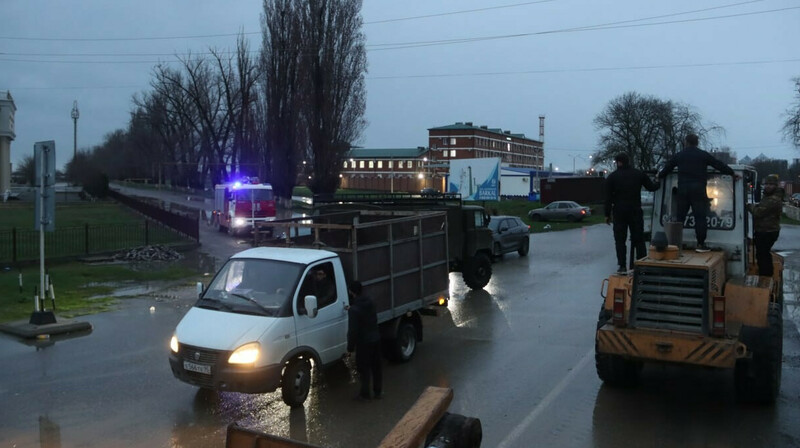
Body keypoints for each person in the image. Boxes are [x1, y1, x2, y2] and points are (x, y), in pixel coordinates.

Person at [658, 134, 735, 252]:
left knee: (679, 217)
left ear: (686, 142)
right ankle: (700, 244)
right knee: (700, 217)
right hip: (698, 190)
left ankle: (674, 243)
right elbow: (718, 164)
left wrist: (660, 175)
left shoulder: (679, 155)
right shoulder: (703, 155)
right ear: (697, 143)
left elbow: (668, 167)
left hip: (683, 189)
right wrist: (732, 173)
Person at [605, 153, 659, 274]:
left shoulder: (612, 177)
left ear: (618, 162)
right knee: (639, 239)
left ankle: (622, 266)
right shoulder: (638, 174)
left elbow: (608, 198)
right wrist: (658, 180)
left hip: (619, 212)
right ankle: (641, 264)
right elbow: (652, 187)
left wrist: (607, 214)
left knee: (620, 240)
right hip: (635, 210)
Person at [346, 280, 382, 400]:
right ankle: (378, 391)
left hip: (364, 343)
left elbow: (353, 331)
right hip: (375, 338)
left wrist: (350, 348)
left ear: (351, 292)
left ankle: (365, 394)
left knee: (364, 368)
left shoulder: (354, 310)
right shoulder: (370, 302)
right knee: (376, 367)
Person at [747, 174, 783, 277]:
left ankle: (766, 276)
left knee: (763, 255)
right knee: (762, 254)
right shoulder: (768, 197)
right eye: (766, 184)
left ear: (775, 186)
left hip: (767, 231)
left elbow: (758, 212)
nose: (768, 186)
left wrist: (749, 206)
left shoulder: (773, 199)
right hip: (764, 230)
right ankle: (765, 274)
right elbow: (762, 207)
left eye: (771, 184)